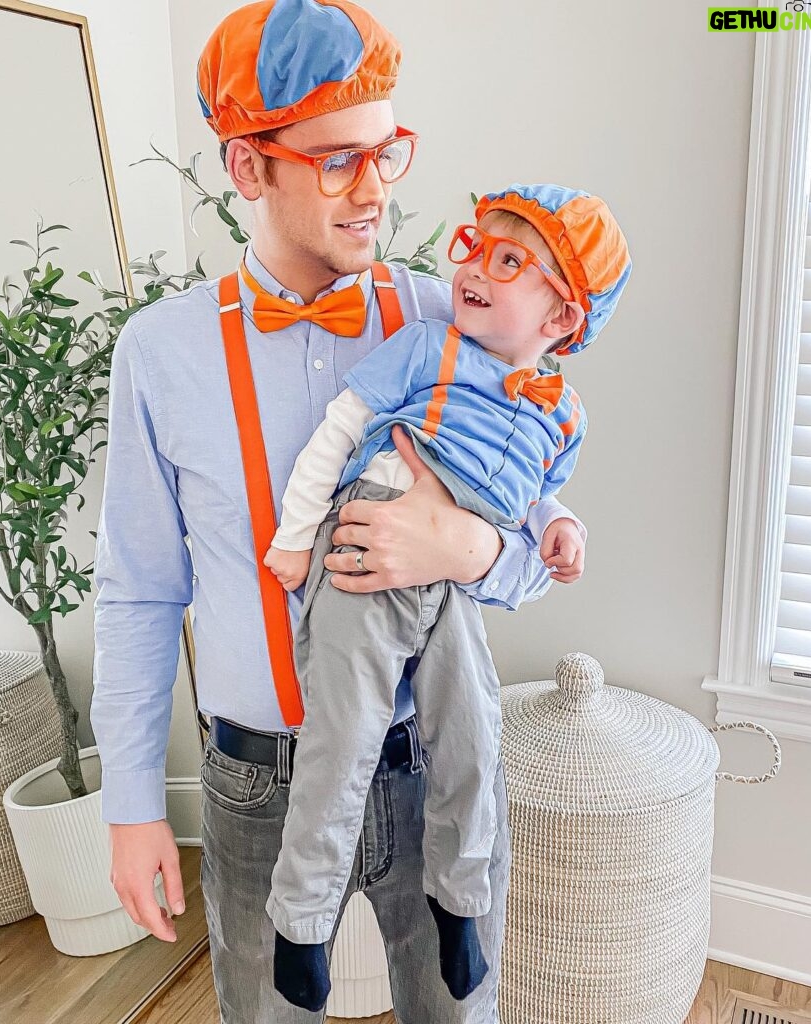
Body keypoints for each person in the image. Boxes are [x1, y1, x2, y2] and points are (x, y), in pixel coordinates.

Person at [90, 1, 589, 1020]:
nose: (375, 192)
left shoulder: (453, 319)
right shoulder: (159, 352)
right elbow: (139, 592)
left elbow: (542, 526)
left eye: (387, 153)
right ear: (247, 166)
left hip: (430, 767)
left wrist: (469, 543)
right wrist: (132, 803)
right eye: (335, 161)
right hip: (254, 790)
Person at [262, 182, 631, 1010]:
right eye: (476, 246)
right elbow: (339, 428)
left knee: (472, 734)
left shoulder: (562, 415)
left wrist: (559, 523)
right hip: (365, 545)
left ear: (562, 319)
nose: (476, 267)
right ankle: (301, 920)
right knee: (345, 738)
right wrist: (295, 538)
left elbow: (533, 494)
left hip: (450, 589)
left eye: (511, 261)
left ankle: (461, 901)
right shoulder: (429, 344)